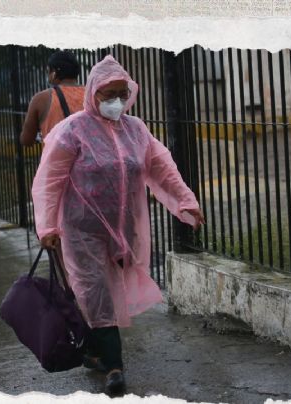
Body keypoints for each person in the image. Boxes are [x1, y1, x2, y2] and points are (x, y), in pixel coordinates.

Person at [31, 55, 205, 397]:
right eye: (108, 94)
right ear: (93, 93)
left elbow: (162, 168)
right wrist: (47, 225)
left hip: (122, 227)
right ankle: (114, 367)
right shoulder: (72, 131)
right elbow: (49, 181)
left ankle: (94, 351)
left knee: (108, 292)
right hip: (82, 229)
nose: (116, 102)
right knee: (95, 292)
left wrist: (186, 201)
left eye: (121, 94)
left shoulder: (136, 130)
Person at [20, 50, 85, 146]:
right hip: (89, 160)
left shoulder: (41, 99)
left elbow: (26, 141)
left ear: (53, 73)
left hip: (55, 160)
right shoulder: (92, 94)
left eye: (48, 71)